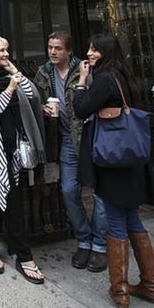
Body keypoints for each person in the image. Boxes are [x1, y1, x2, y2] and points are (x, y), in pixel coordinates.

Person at [73, 34, 154, 307]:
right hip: (129, 160)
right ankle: (149, 284)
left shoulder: (106, 78)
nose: (89, 53)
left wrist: (82, 81)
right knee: (133, 219)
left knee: (117, 221)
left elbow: (81, 108)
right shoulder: (124, 75)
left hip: (112, 160)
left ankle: (119, 291)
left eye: (94, 49)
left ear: (105, 52)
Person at [0, 33, 45, 284]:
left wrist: (15, 75)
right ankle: (24, 256)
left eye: (7, 49)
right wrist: (10, 86)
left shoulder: (8, 74)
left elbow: (32, 96)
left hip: (14, 147)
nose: (6, 54)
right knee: (11, 198)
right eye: (1, 51)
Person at [34, 31, 107, 272]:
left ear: (69, 51)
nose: (52, 52)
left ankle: (99, 245)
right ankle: (83, 239)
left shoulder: (85, 70)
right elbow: (35, 98)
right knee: (68, 190)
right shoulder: (44, 72)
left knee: (100, 193)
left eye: (58, 48)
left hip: (89, 138)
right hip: (66, 139)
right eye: (50, 47)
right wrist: (43, 107)